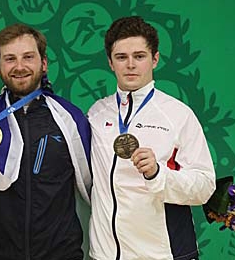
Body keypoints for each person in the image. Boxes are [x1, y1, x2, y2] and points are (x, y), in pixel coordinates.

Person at [0, 22, 91, 260]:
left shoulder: (70, 119)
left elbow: (96, 191)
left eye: (28, 57)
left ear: (43, 64)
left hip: (61, 254)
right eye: (10, 59)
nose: (19, 66)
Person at [88, 15, 216, 260]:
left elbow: (205, 186)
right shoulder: (96, 113)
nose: (130, 65)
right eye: (121, 57)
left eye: (139, 56)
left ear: (154, 59)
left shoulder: (178, 115)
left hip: (160, 254)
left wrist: (158, 174)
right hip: (104, 255)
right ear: (110, 63)